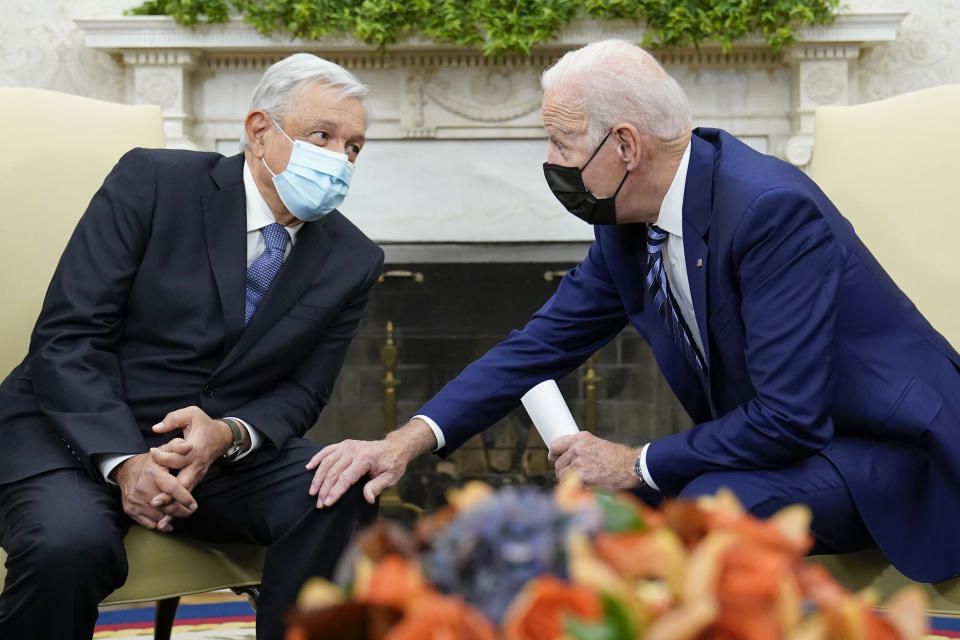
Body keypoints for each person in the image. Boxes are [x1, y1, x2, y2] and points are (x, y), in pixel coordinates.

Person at [307, 40, 960, 584]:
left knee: (703, 506)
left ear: (625, 145)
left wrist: (633, 462)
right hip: (786, 447)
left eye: (561, 144)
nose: (550, 163)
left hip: (888, 453)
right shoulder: (627, 226)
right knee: (586, 523)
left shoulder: (767, 211)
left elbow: (789, 419)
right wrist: (404, 443)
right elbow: (535, 347)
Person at [0, 53, 383, 640]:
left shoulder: (354, 259)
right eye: (322, 136)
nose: (340, 159)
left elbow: (303, 392)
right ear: (260, 131)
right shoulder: (153, 181)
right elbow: (68, 336)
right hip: (77, 429)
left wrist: (227, 434)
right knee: (67, 544)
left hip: (215, 454)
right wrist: (125, 461)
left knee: (340, 490)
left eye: (353, 147)